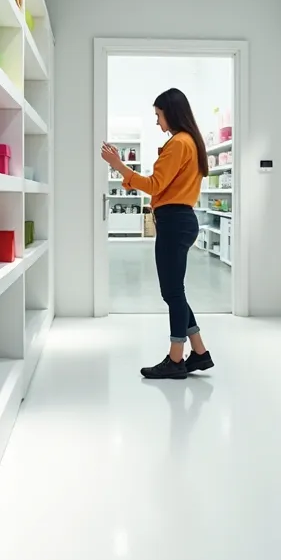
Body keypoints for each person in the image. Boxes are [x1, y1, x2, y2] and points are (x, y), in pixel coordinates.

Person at [101, 88, 215, 379]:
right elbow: (162, 184)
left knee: (172, 292)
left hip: (174, 221)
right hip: (180, 219)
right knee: (175, 291)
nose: (157, 122)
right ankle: (199, 353)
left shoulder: (178, 143)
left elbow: (154, 185)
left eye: (158, 115)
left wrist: (118, 166)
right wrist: (127, 176)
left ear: (170, 113)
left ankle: (176, 360)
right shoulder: (190, 142)